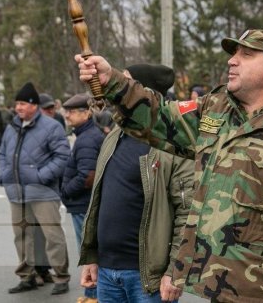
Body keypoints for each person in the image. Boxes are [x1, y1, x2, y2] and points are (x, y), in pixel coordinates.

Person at [77, 29, 263, 303]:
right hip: (217, 284)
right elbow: (159, 117)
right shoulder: (215, 108)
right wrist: (111, 81)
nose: (232, 61)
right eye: (234, 54)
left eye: (246, 55)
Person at [78, 64, 194, 303]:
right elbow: (100, 198)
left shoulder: (174, 144)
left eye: (126, 82)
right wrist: (92, 256)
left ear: (143, 92)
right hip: (108, 273)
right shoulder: (114, 134)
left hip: (147, 279)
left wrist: (175, 271)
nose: (118, 88)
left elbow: (188, 213)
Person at [0, 82, 71, 295]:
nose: (18, 108)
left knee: (52, 235)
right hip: (16, 192)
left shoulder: (51, 126)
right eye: (16, 103)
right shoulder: (12, 127)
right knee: (22, 236)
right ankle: (27, 277)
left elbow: (63, 156)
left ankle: (61, 277)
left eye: (22, 104)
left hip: (43, 192)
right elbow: (2, 153)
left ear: (34, 105)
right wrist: (3, 174)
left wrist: (41, 176)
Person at [59, 93, 104, 302]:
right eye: (66, 111)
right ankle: (91, 293)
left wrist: (66, 190)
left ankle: (93, 295)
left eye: (71, 112)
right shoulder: (88, 135)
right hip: (83, 203)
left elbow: (88, 176)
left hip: (83, 204)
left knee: (88, 252)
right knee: (89, 250)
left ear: (86, 113)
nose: (67, 116)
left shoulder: (87, 139)